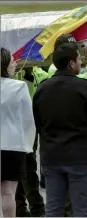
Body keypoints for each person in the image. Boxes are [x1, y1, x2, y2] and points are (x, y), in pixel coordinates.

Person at [33, 43, 87, 217]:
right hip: (82, 156)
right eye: (80, 59)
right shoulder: (85, 87)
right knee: (81, 209)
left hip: (52, 156)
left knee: (53, 208)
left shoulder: (42, 89)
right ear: (71, 64)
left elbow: (38, 122)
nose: (82, 62)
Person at [1, 47, 36, 217]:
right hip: (13, 146)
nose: (15, 64)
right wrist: (28, 145)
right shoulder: (19, 86)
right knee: (8, 193)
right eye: (12, 61)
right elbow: (28, 119)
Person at [13, 67, 47, 217]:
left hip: (28, 123)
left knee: (22, 167)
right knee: (27, 167)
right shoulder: (12, 75)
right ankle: (36, 207)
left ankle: (20, 207)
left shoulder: (37, 72)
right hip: (19, 125)